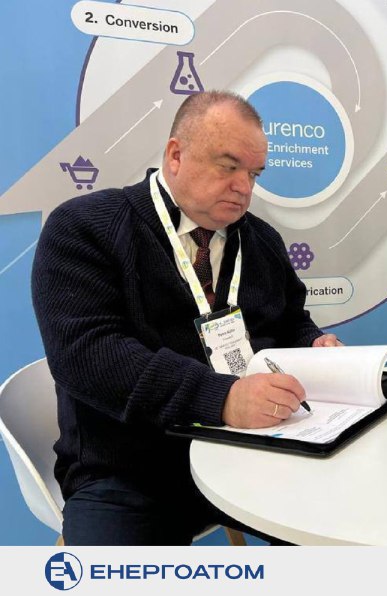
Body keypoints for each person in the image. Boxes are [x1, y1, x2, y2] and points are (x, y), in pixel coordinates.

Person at [32, 90, 340, 545]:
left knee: (338, 537)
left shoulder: (262, 241)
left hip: (255, 450)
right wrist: (222, 398)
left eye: (254, 173)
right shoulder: (84, 227)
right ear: (176, 155)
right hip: (131, 469)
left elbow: (291, 320)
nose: (244, 187)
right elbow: (89, 355)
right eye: (229, 166)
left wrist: (313, 343)